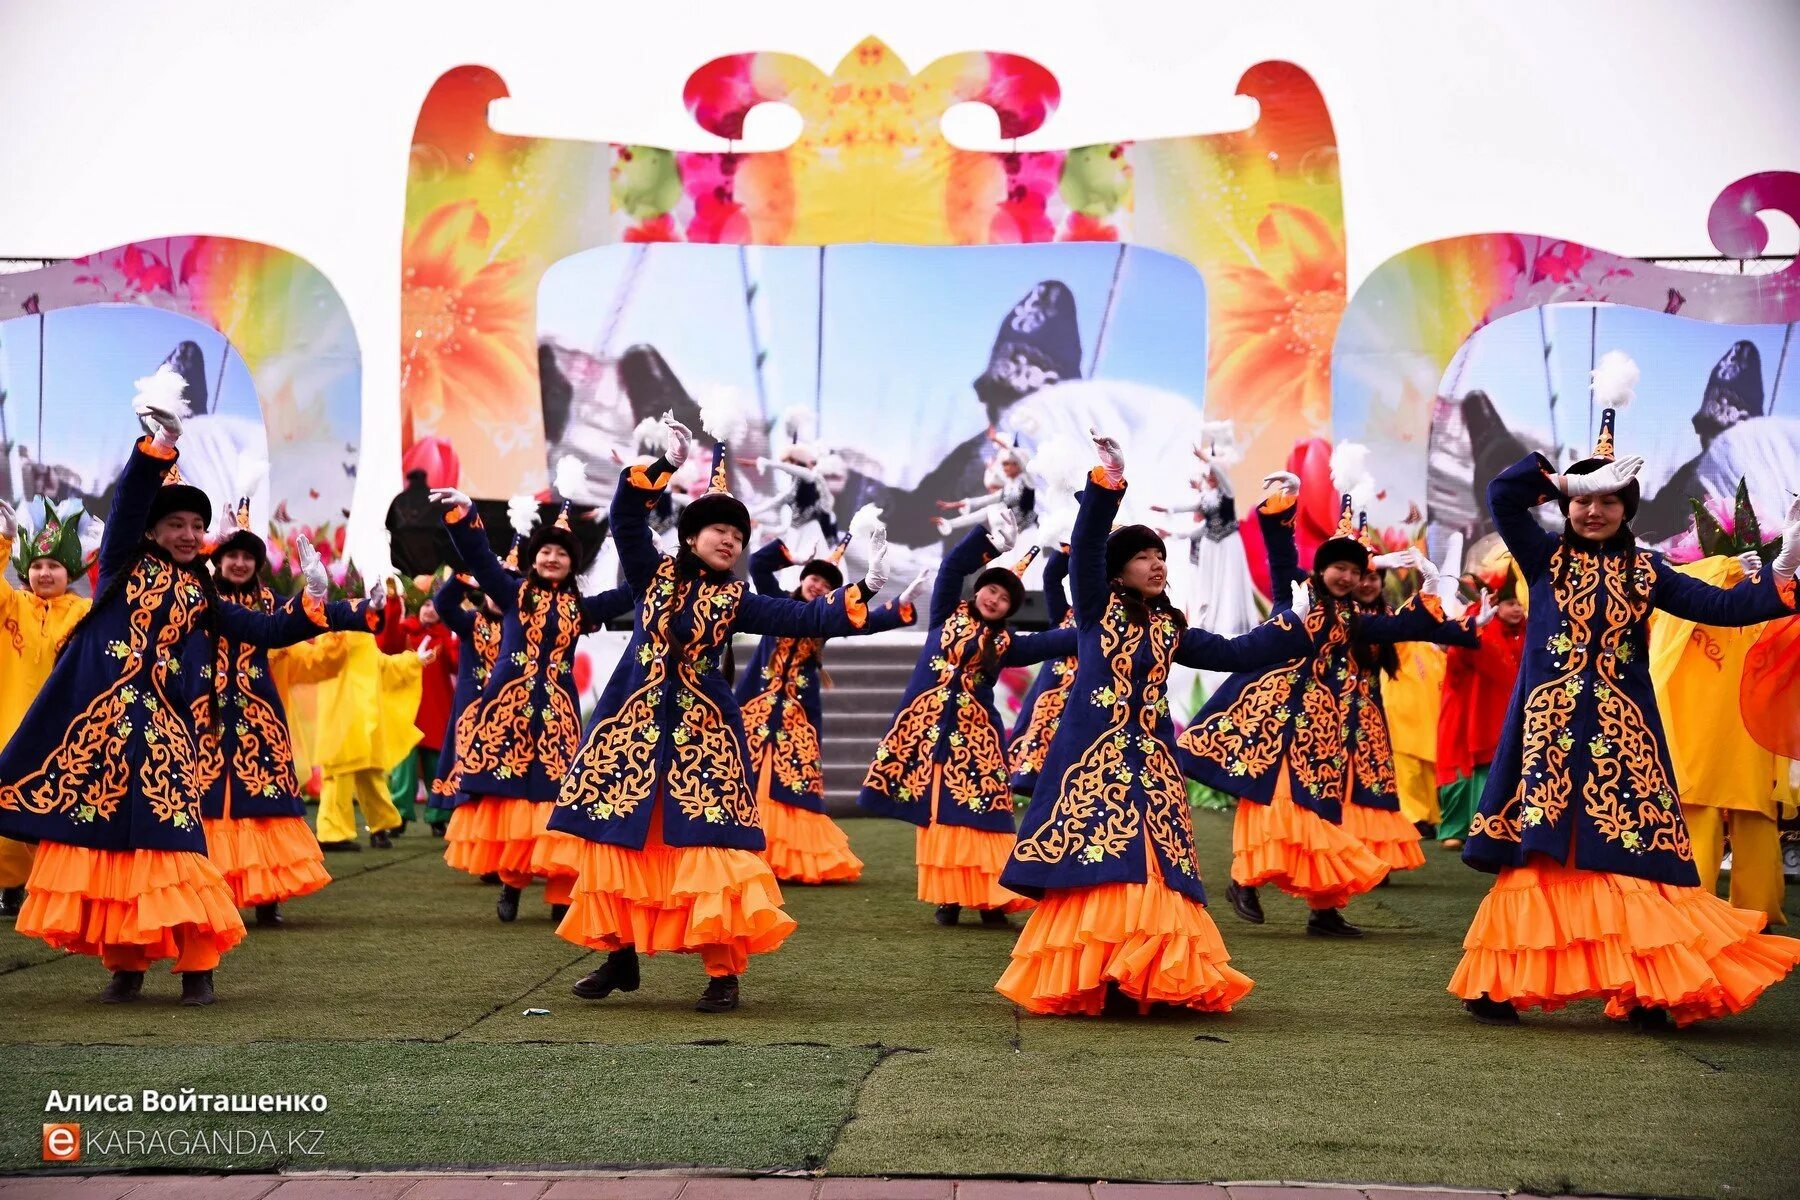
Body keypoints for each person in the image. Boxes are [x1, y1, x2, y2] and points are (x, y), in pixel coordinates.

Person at [0, 369, 349, 1005]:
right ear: (155, 534)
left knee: (175, 846)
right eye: (178, 525)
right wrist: (155, 449)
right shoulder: (123, 566)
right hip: (103, 736)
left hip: (164, 737)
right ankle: (126, 969)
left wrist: (315, 609)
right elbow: (129, 507)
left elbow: (258, 628)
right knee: (111, 848)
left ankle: (198, 970)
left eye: (196, 525)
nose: (190, 534)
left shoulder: (201, 589)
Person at [1451, 409, 1800, 1026]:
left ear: (1627, 510)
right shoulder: (1543, 558)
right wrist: (1567, 480)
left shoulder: (1648, 571)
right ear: (1569, 504)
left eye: (1610, 500)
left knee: (1634, 858)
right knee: (1540, 856)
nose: (1594, 511)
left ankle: (1648, 985)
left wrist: (1783, 571)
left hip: (1625, 739)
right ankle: (1503, 981)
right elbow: (1503, 494)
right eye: (1586, 500)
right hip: (1548, 740)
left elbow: (1723, 606)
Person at [540, 418, 889, 1012]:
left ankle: (723, 971)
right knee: (620, 843)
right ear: (692, 536)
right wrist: (665, 466)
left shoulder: (739, 599)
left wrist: (869, 585)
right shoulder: (652, 573)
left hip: (704, 738)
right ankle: (619, 955)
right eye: (717, 531)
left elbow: (806, 619)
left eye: (736, 534)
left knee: (713, 851)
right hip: (630, 733)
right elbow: (626, 517)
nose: (728, 541)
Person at [997, 432, 1319, 1015]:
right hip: (1094, 765)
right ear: (1118, 572)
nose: (1158, 564)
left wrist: (1291, 620)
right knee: (1104, 860)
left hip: (1154, 766)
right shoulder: (1095, 610)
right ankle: (1107, 974)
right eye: (1145, 557)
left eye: (1160, 556)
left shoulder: (1169, 628)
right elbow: (1090, 544)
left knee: (1155, 865)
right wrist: (1109, 480)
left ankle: (1148, 976)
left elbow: (1236, 652)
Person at [1180, 487, 1467, 938]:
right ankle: (1244, 879)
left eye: (1355, 571)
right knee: (1273, 804)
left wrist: (1431, 590)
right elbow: (1279, 556)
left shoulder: (1352, 616)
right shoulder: (1295, 594)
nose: (1347, 577)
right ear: (1321, 568)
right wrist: (1280, 508)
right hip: (1274, 723)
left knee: (1322, 815)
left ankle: (1325, 909)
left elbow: (1398, 627)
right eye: (1339, 567)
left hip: (1320, 731)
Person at [859, 509, 1077, 927]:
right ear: (979, 592)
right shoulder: (945, 614)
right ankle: (950, 898)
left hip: (976, 741)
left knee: (985, 816)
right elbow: (955, 565)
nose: (993, 600)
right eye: (990, 591)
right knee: (939, 815)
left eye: (1004, 599)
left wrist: (1107, 624)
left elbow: (1058, 639)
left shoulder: (1008, 643)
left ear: (1010, 608)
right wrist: (992, 544)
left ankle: (991, 899)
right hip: (927, 735)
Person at [429, 497, 635, 924]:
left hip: (558, 716)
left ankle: (560, 893)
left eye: (562, 553)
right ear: (533, 558)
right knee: (514, 802)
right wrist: (466, 516)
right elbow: (480, 558)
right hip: (509, 712)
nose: (553, 558)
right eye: (546, 551)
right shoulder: (513, 593)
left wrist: (656, 564)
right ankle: (512, 880)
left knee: (558, 798)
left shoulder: (581, 607)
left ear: (572, 563)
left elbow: (628, 593)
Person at [196, 500, 384, 926]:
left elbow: (320, 613)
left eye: (248, 556)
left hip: (258, 717)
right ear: (217, 559)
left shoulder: (269, 603)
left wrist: (365, 610)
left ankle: (267, 896)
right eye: (232, 555)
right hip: (203, 715)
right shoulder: (197, 599)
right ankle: (209, 889)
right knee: (205, 803)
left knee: (264, 802)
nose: (240, 562)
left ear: (258, 564)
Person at [737, 533, 923, 884]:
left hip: (798, 714)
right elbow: (759, 564)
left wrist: (901, 603)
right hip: (754, 708)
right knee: (747, 772)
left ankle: (785, 856)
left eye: (827, 584)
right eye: (814, 578)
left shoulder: (825, 621)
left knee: (792, 778)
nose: (818, 586)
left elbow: (869, 621)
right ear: (803, 579)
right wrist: (791, 556)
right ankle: (743, 848)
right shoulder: (775, 603)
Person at [1651, 546, 1795, 925]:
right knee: (1717, 811)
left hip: (1734, 730)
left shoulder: (1764, 604)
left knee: (1745, 812)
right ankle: (1738, 913)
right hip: (1709, 726)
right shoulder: (1694, 594)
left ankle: (1719, 912)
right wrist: (1728, 567)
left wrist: (1736, 570)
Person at [0, 495, 95, 917]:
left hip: (61, 730)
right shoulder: (12, 606)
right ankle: (6, 888)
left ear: (69, 570)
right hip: (9, 724)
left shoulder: (83, 611)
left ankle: (51, 896)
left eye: (53, 566)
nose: (44, 573)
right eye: (37, 565)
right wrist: (1, 542)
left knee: (55, 814)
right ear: (25, 569)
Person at [1436, 573, 1526, 849]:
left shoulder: (1530, 631)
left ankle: (1498, 828)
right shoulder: (1482, 628)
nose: (1516, 610)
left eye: (1519, 604)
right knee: (1463, 769)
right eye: (1510, 603)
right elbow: (1459, 655)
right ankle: (1461, 828)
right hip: (1471, 710)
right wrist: (1475, 621)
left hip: (1510, 713)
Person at [425, 572, 507, 839]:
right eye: (491, 590)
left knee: (503, 774)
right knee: (470, 771)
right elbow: (444, 604)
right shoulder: (470, 622)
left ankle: (500, 835)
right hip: (472, 712)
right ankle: (474, 837)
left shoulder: (519, 623)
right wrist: (464, 576)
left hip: (508, 711)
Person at [380, 588, 457, 831]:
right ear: (417, 608)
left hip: (436, 708)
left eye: (435, 605)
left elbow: (457, 665)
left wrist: (454, 637)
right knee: (403, 766)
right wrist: (392, 603)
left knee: (437, 765)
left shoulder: (446, 635)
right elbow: (386, 643)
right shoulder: (405, 630)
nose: (429, 609)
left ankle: (438, 816)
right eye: (425, 605)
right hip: (406, 709)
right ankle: (399, 814)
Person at [1007, 543, 1074, 797]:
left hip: (1088, 689)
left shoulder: (1116, 618)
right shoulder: (1064, 615)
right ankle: (1029, 781)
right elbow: (1052, 576)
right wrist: (1070, 545)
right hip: (1051, 688)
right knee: (1037, 727)